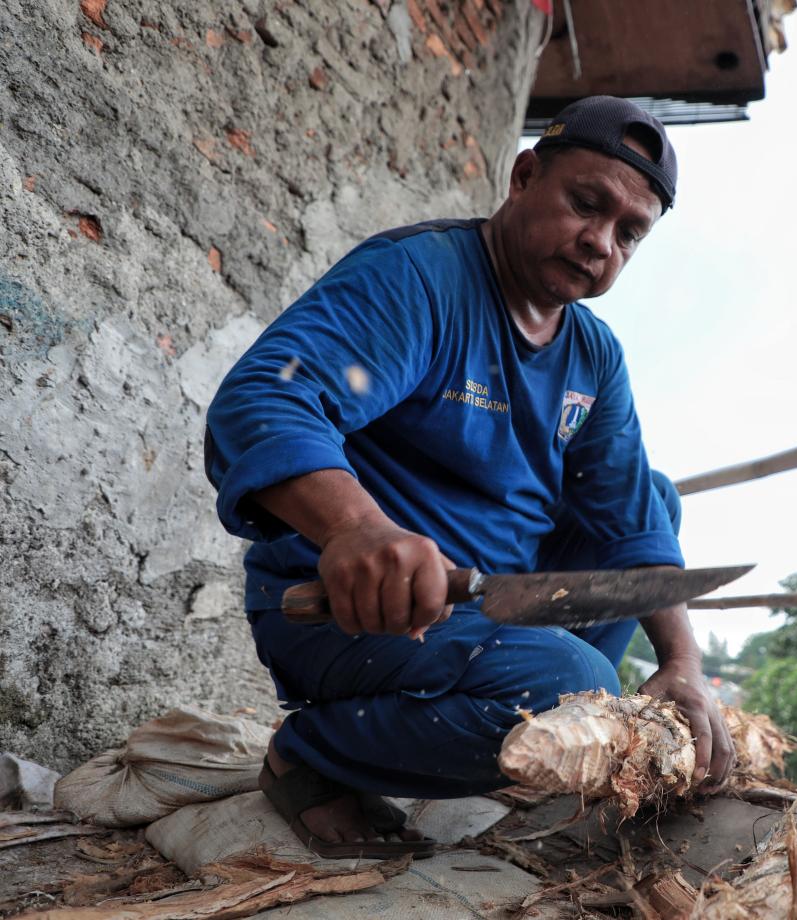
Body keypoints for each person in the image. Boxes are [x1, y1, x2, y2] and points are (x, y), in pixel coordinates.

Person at [204, 96, 733, 858]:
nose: (599, 243)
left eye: (629, 234)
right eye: (586, 204)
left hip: (492, 604)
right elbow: (267, 396)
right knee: (573, 684)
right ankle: (312, 755)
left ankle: (528, 733)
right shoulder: (421, 279)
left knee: (654, 499)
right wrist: (357, 528)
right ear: (523, 177)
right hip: (352, 608)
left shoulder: (593, 355)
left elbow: (630, 523)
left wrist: (684, 664)